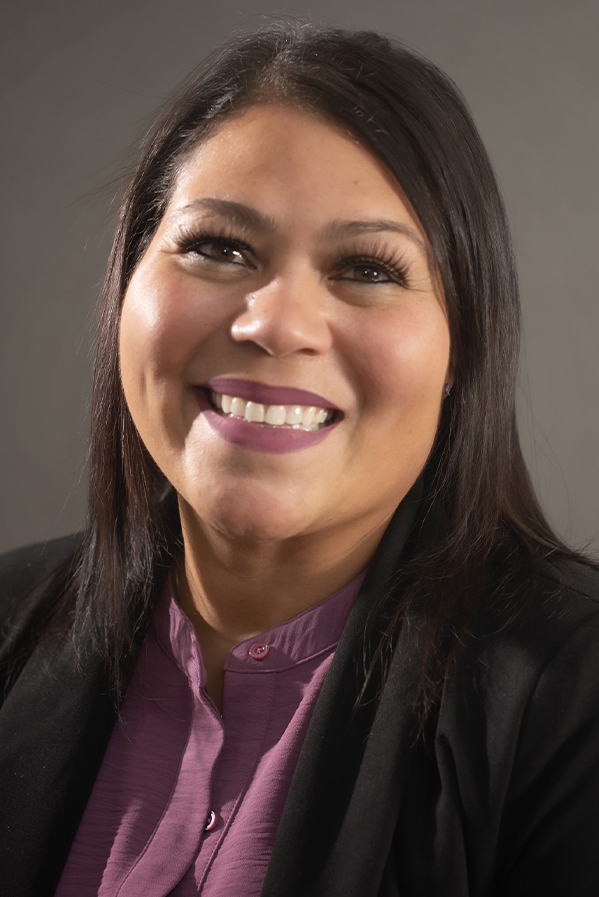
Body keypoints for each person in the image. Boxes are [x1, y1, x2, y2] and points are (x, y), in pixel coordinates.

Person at [1, 23, 598, 897]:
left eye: (365, 267)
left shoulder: (573, 703)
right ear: (125, 284)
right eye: (218, 248)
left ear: (462, 348)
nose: (274, 324)